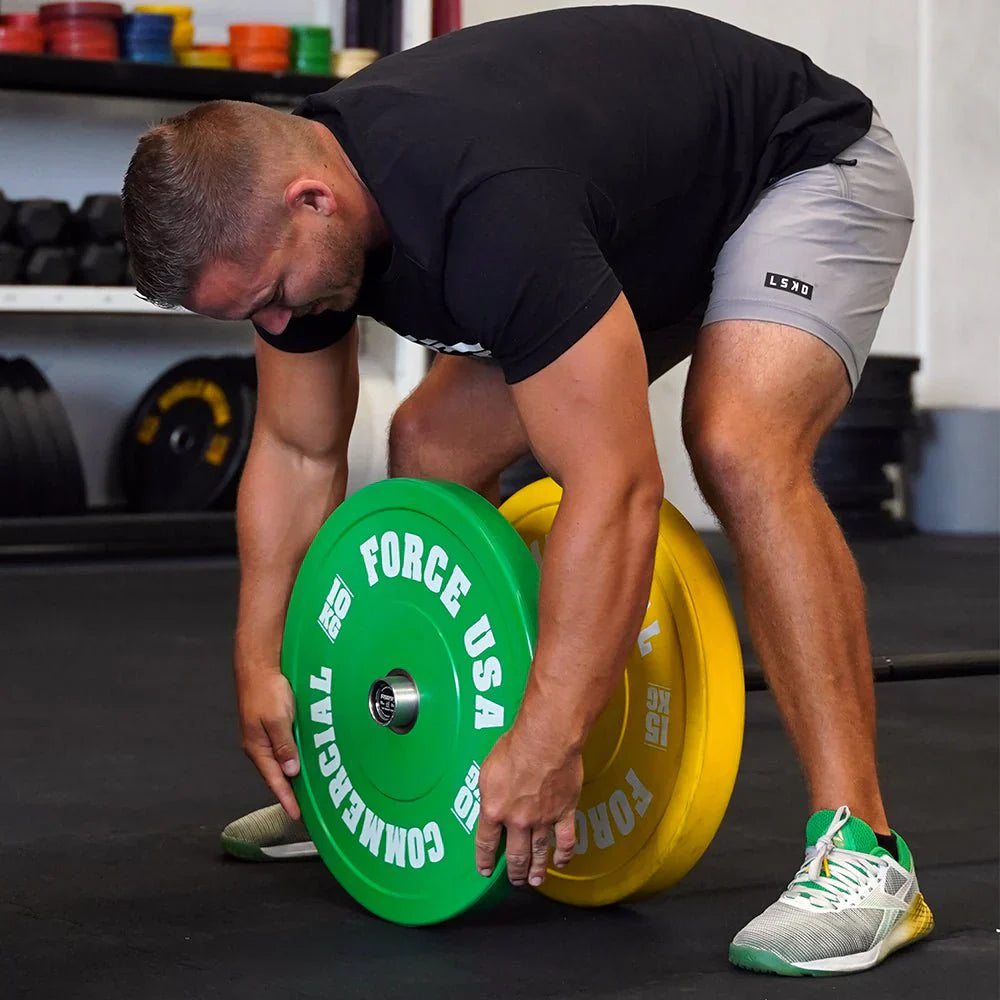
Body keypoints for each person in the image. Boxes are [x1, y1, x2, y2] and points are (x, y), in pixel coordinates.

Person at [122, 5, 931, 976]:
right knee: (429, 444)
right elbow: (297, 450)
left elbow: (616, 487)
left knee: (736, 442)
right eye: (253, 312)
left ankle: (864, 855)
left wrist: (552, 730)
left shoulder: (483, 202)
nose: (279, 320)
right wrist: (260, 656)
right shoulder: (286, 219)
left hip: (795, 167)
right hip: (633, 223)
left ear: (312, 200)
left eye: (275, 295)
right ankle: (445, 768)